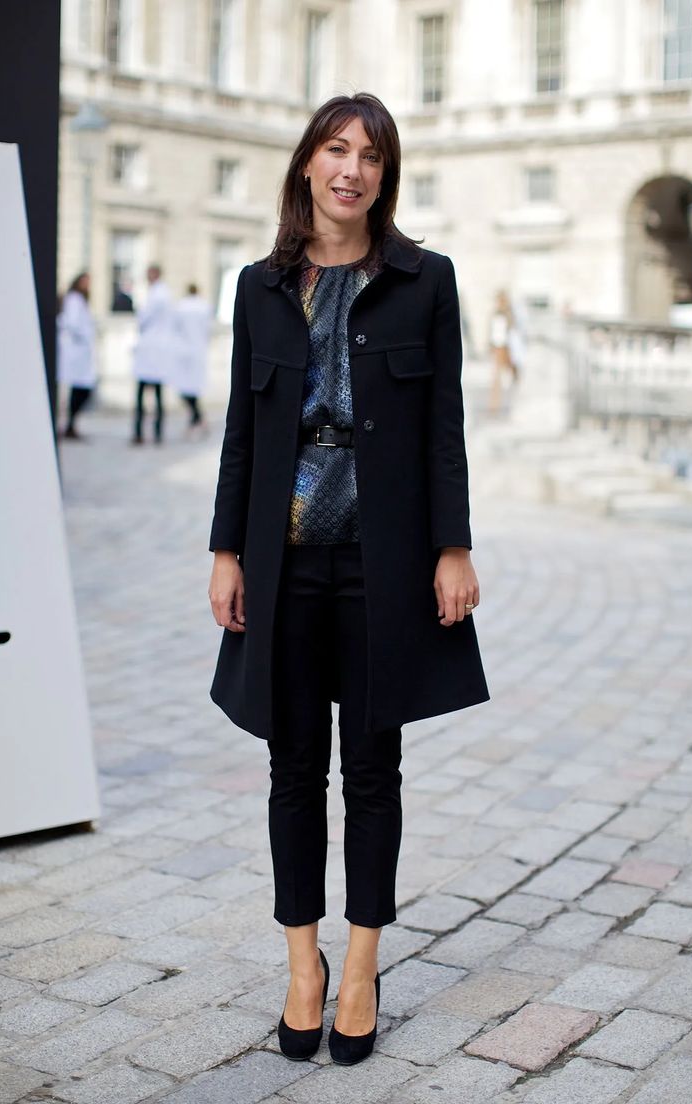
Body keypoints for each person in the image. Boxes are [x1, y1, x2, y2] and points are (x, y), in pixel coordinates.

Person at [207, 92, 489, 1066]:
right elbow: (243, 433)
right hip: (284, 562)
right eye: (335, 150)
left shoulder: (424, 281)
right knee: (292, 771)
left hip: (383, 560)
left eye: (369, 156)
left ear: (385, 175)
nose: (350, 170)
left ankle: (362, 965)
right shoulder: (258, 287)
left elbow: (442, 425)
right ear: (305, 166)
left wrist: (452, 545)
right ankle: (302, 967)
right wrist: (226, 551)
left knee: (372, 771)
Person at [131, 264, 174, 444]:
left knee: (143, 393)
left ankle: (140, 432)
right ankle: (157, 433)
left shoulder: (156, 294)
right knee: (157, 394)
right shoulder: (163, 293)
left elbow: (143, 319)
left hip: (151, 348)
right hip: (158, 350)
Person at [56, 272, 96, 441]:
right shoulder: (74, 299)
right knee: (80, 389)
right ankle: (69, 425)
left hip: (80, 352)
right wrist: (83, 336)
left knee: (80, 390)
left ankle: (71, 425)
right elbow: (71, 323)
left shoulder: (80, 300)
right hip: (75, 350)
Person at [173, 283, 212, 437]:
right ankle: (197, 418)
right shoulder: (204, 307)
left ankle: (196, 419)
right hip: (198, 350)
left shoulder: (181, 307)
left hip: (185, 350)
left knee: (185, 389)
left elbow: (176, 328)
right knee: (192, 388)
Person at [487, 289, 520, 415]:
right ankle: (495, 405)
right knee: (496, 377)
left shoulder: (507, 314)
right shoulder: (496, 314)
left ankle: (502, 404)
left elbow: (512, 330)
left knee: (509, 375)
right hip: (498, 347)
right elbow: (492, 331)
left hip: (506, 347)